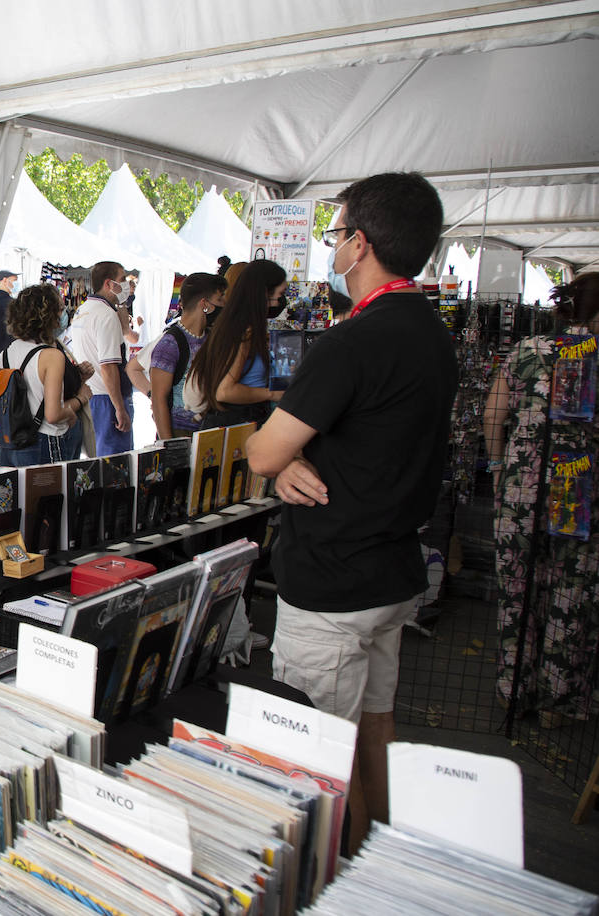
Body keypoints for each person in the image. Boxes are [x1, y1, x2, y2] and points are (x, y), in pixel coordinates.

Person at [246, 171, 457, 854]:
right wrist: (294, 465)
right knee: (373, 730)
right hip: (393, 570)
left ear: (359, 244)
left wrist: (282, 462)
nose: (331, 247)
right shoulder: (430, 330)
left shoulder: (352, 341)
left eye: (335, 235)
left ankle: (340, 874)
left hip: (334, 580)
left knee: (316, 762)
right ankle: (378, 860)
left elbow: (261, 452)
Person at [485, 272, 599, 727]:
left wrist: (497, 467)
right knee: (568, 592)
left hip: (521, 487)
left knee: (518, 589)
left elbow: (494, 415)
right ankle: (557, 700)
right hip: (580, 489)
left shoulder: (527, 350)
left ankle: (513, 689)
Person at [0, 284, 95, 466]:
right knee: (52, 494)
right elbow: (53, 414)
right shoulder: (51, 356)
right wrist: (81, 399)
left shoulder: (7, 353)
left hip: (12, 442)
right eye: (61, 309)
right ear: (49, 316)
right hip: (45, 442)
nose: (63, 315)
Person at [188, 260, 285, 429]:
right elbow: (225, 391)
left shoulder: (234, 324)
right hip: (238, 424)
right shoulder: (244, 331)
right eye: (278, 295)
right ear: (264, 293)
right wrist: (272, 394)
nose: (278, 302)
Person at [132, 272, 224, 441]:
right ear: (205, 305)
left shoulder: (210, 337)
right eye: (219, 300)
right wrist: (170, 446)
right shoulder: (170, 343)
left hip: (207, 432)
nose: (223, 305)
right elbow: (159, 400)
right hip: (180, 433)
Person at [70, 261, 134, 456]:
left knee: (98, 460)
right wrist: (119, 408)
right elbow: (108, 367)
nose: (126, 285)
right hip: (107, 399)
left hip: (92, 396)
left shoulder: (83, 310)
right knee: (114, 465)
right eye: (122, 280)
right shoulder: (106, 315)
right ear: (109, 283)